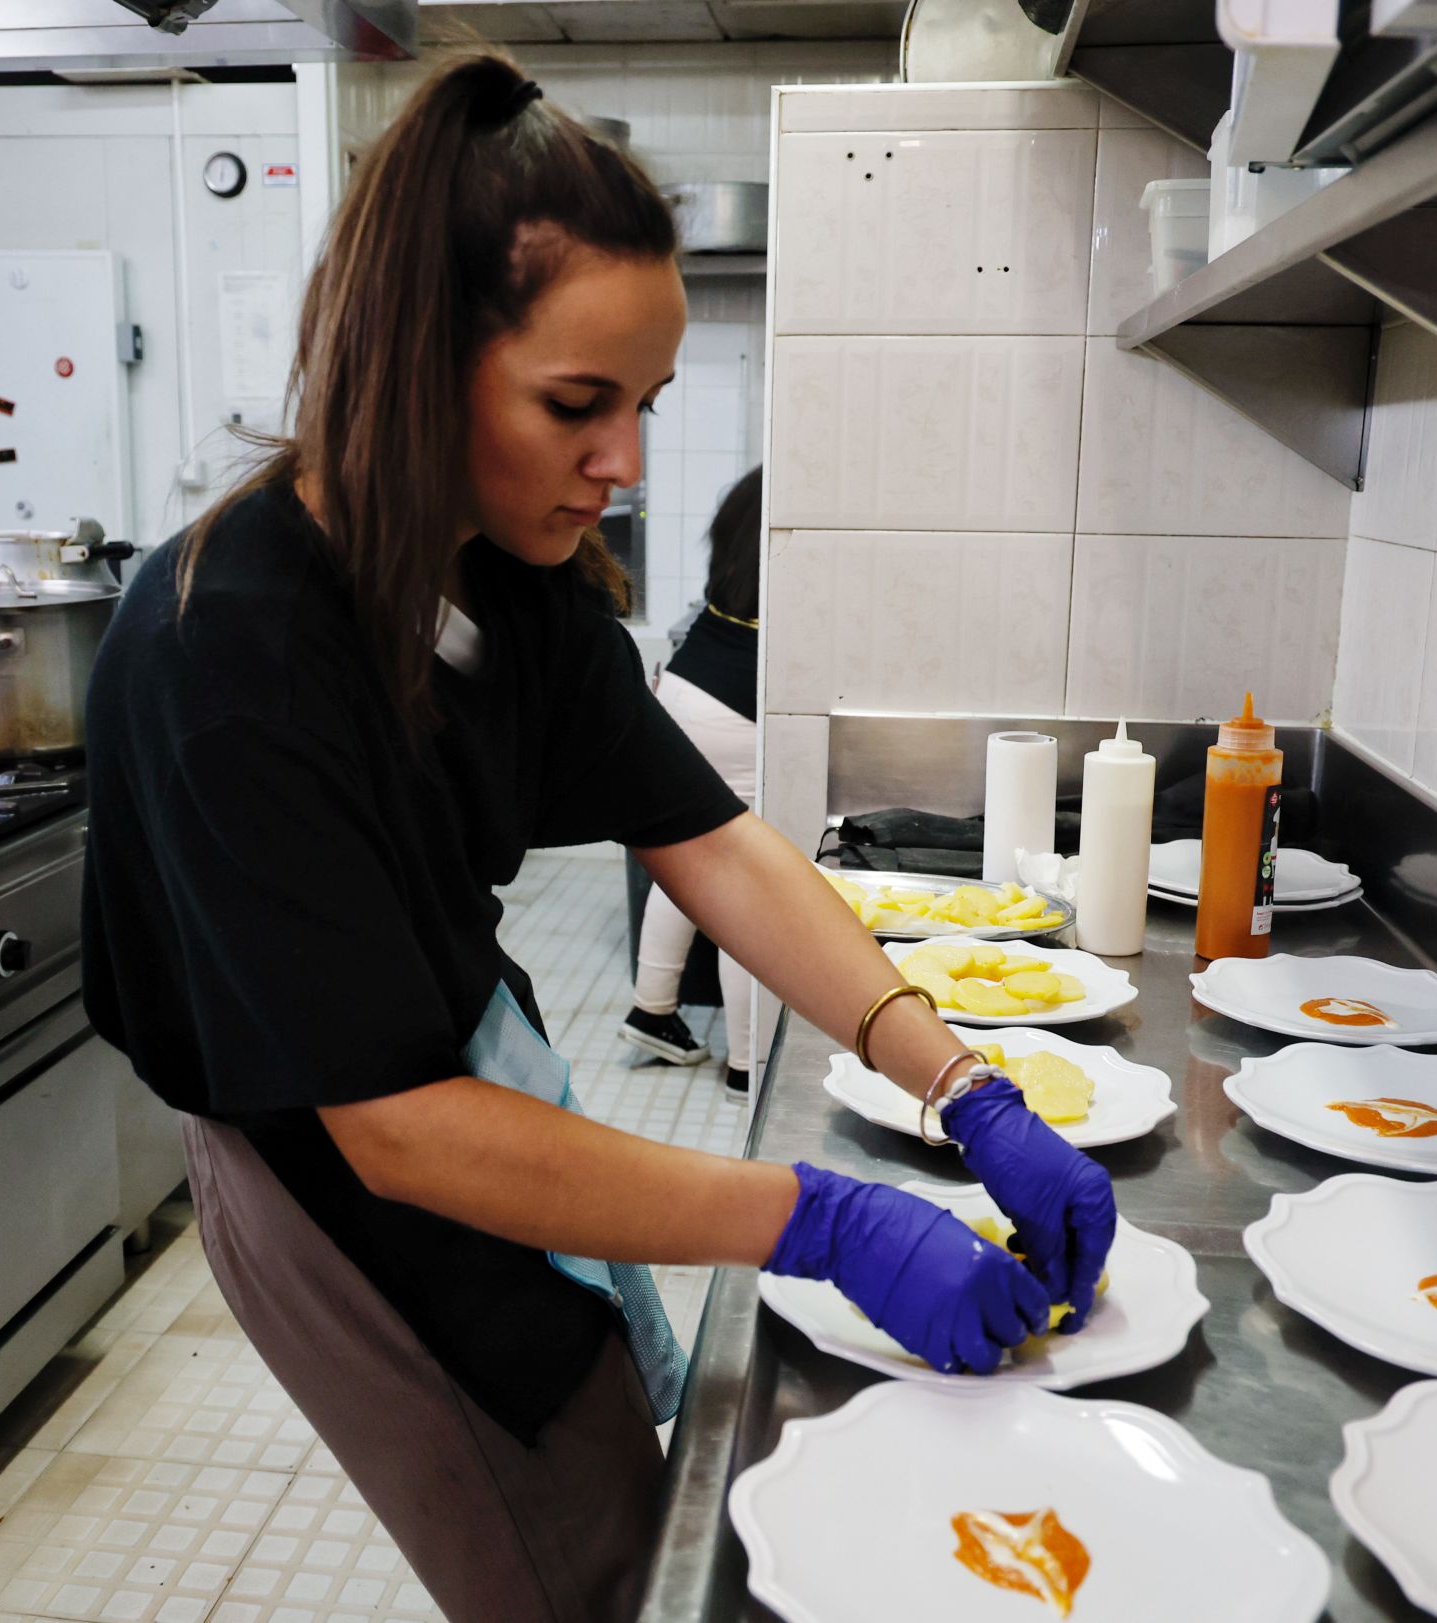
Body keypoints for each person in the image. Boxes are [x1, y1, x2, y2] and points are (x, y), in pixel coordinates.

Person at [79, 54, 1114, 1623]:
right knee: (569, 1552)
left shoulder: (501, 584)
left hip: (456, 1070)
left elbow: (711, 836)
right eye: (579, 404)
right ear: (423, 360)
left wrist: (961, 1079)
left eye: (643, 406)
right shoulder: (226, 645)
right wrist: (812, 1216)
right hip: (324, 1169)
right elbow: (397, 1135)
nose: (624, 462)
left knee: (614, 1464)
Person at [619, 467, 761, 1094]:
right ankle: (746, 1062)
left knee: (689, 853)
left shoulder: (746, 501)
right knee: (746, 882)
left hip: (686, 682)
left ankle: (652, 1010)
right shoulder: (798, 512)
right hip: (738, 707)